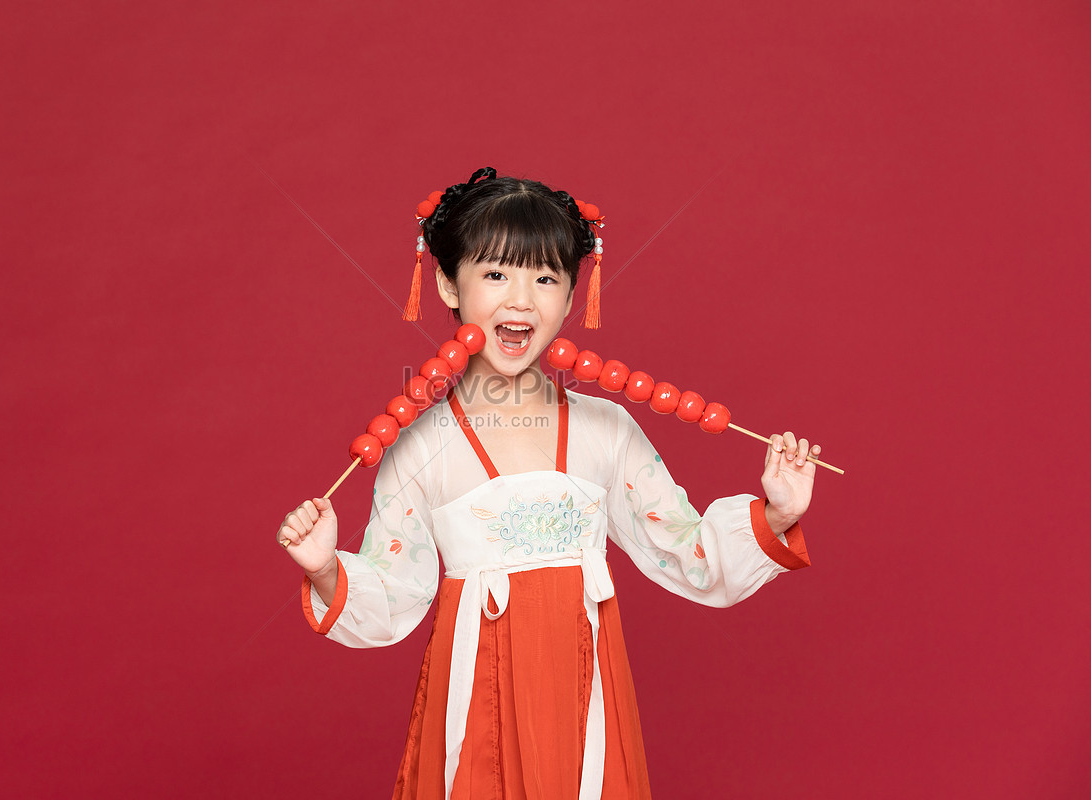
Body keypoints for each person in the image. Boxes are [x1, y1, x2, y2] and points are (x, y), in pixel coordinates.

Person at [277, 167, 820, 800]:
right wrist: (324, 571)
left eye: (545, 278)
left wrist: (775, 515)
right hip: (474, 704)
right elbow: (396, 594)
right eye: (496, 274)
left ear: (569, 297)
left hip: (584, 696)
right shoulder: (419, 449)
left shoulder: (607, 431)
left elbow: (688, 552)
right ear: (450, 285)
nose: (521, 299)